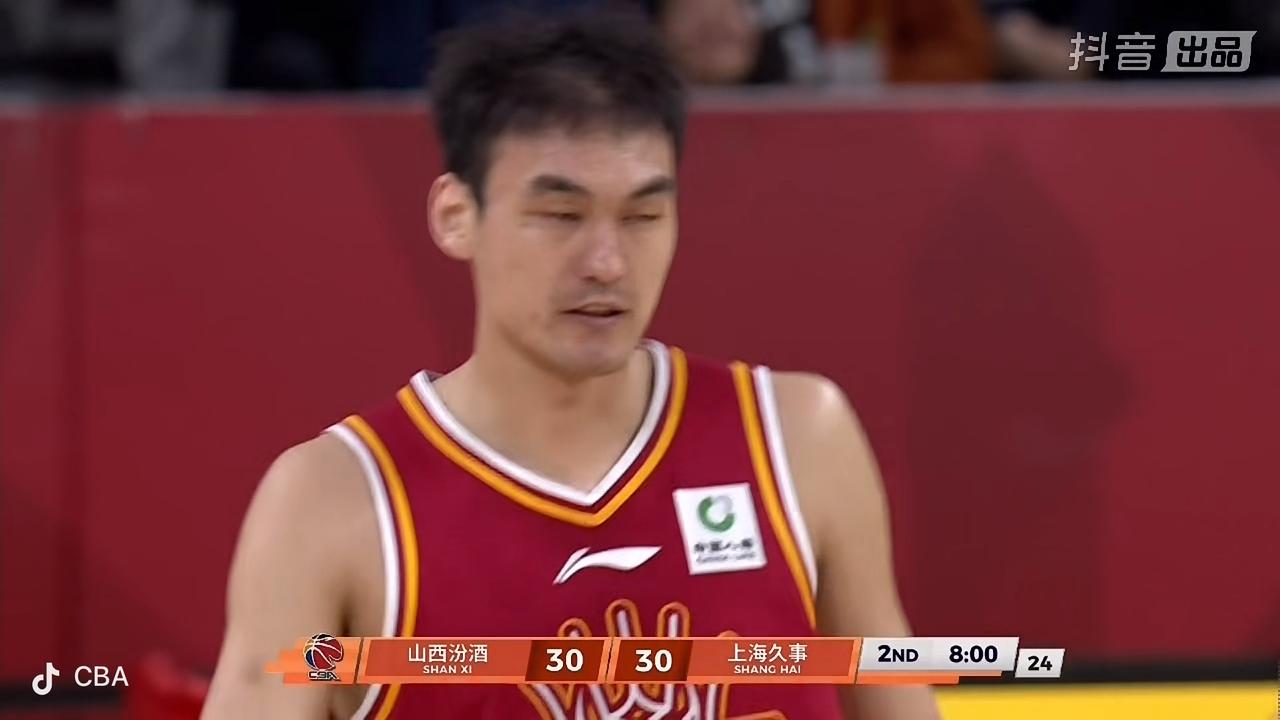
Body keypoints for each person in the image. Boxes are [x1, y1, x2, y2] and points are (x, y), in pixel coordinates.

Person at [202, 9, 939, 719]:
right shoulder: (331, 504)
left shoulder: (797, 440)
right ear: (456, 216)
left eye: (643, 217)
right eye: (561, 217)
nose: (607, 263)